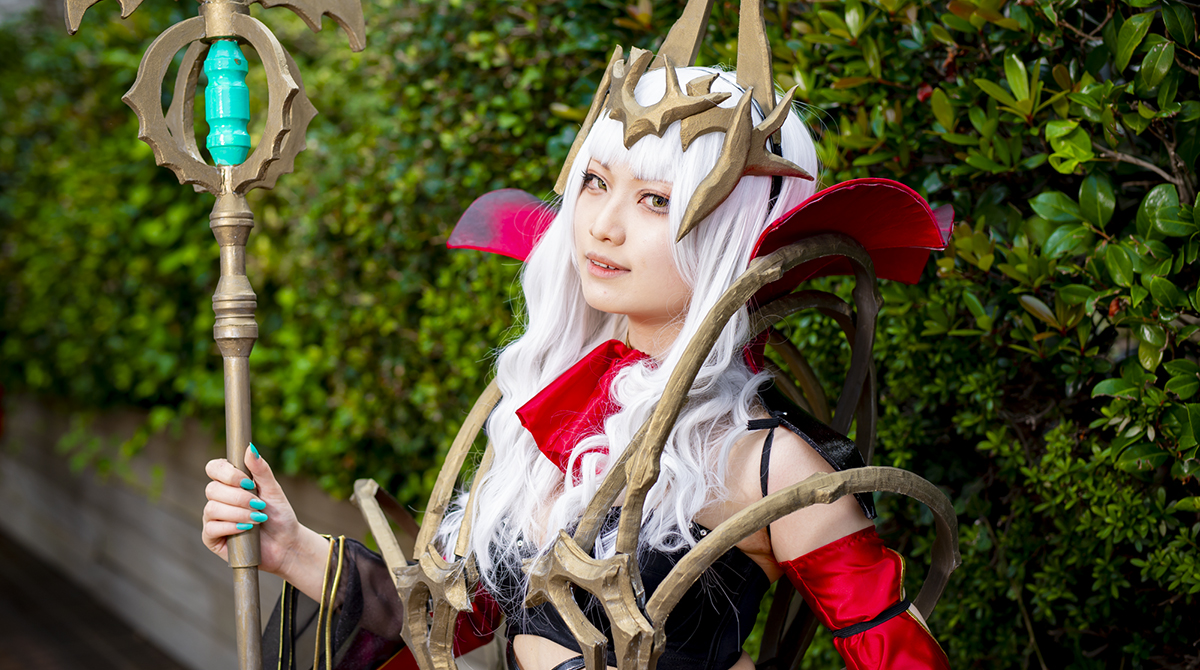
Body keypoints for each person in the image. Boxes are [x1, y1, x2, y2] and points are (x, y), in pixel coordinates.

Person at [202, 9, 953, 670]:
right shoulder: (557, 414)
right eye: (596, 181)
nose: (603, 225)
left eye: (655, 200)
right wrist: (291, 548)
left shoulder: (768, 464)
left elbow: (895, 656)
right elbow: (453, 620)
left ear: (731, 235)